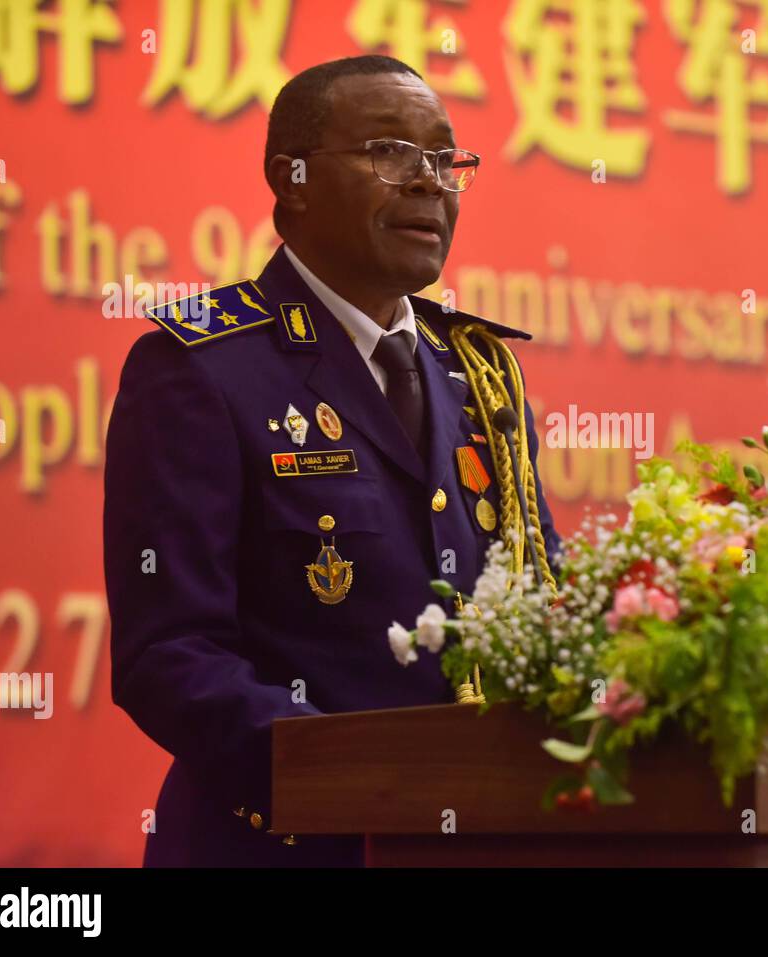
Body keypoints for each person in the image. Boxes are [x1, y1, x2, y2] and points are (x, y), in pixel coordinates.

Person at [103, 55, 559, 867]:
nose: (430, 184)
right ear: (295, 179)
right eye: (391, 152)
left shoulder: (481, 375)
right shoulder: (200, 368)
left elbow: (541, 609)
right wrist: (368, 778)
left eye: (445, 159)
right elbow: (169, 657)